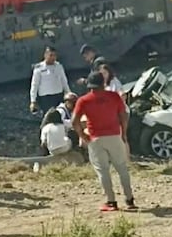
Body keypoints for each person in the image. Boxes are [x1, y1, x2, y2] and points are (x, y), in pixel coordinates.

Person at [71, 72, 137, 212]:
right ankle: (129, 200)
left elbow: (74, 121)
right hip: (114, 135)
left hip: (95, 138)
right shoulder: (114, 97)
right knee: (122, 168)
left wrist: (83, 136)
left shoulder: (83, 100)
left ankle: (111, 202)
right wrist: (123, 133)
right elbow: (123, 116)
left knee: (103, 171)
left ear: (89, 85)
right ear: (104, 83)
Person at [29, 46, 71, 114]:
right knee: (49, 117)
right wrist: (33, 101)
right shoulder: (39, 68)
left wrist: (68, 93)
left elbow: (64, 81)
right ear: (45, 55)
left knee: (61, 115)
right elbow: (34, 85)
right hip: (46, 98)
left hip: (58, 96)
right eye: (50, 55)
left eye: (54, 55)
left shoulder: (59, 66)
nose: (53, 57)